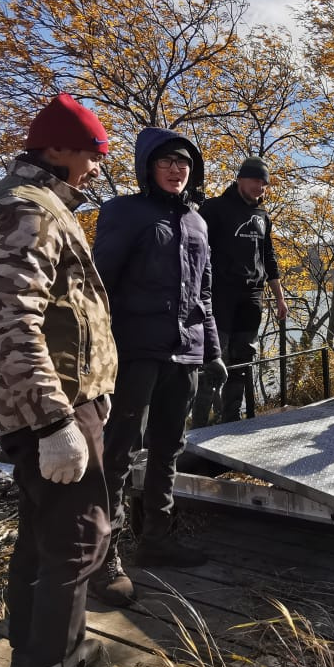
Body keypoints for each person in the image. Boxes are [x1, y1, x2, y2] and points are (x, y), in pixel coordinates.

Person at [0, 93, 137, 667]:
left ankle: (31, 666)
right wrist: (55, 421)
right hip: (58, 407)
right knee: (79, 544)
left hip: (55, 405)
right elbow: (15, 324)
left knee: (40, 538)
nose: (97, 164)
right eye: (92, 151)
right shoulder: (24, 210)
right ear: (58, 149)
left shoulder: (31, 204)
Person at [92, 129, 226, 586]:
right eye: (167, 161)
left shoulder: (197, 221)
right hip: (137, 351)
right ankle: (104, 557)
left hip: (185, 353)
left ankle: (157, 539)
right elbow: (98, 288)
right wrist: (99, 353)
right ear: (148, 166)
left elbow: (204, 293)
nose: (176, 169)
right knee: (118, 454)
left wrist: (212, 351)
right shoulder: (124, 212)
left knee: (169, 447)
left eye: (184, 163)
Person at [191, 155, 288, 427]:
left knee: (243, 359)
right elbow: (195, 252)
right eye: (256, 180)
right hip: (220, 296)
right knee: (214, 358)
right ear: (240, 179)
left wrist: (279, 297)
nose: (260, 187)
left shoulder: (262, 216)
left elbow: (269, 257)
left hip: (251, 298)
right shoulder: (214, 209)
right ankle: (199, 424)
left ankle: (232, 419)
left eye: (265, 183)